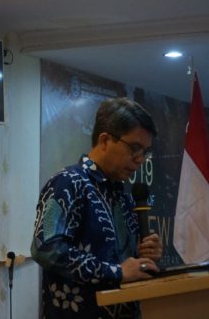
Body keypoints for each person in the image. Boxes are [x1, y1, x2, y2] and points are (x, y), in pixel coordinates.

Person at [32, 97, 163, 319]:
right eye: (135, 148)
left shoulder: (123, 196)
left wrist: (145, 255)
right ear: (104, 140)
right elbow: (45, 248)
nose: (140, 159)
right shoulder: (68, 183)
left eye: (145, 152)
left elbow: (125, 263)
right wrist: (117, 272)